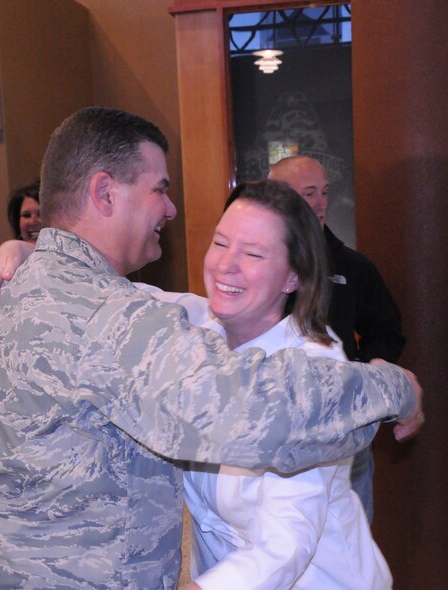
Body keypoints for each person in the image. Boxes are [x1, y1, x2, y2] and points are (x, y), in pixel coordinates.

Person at [0, 107, 424, 589]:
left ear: (294, 274)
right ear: (105, 192)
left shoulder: (2, 299)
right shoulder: (117, 320)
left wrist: (31, 249)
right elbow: (256, 414)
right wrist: (394, 386)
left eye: (253, 253)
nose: (170, 209)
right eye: (160, 190)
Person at [158, 179, 392, 590]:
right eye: (220, 243)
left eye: (253, 254)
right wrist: (28, 253)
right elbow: (120, 298)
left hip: (313, 578)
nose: (225, 265)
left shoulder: (312, 371)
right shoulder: (204, 327)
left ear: (291, 279)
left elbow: (287, 538)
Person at [269, 155, 405, 523]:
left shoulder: (353, 267)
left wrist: (359, 378)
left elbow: (388, 332)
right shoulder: (257, 264)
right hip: (272, 431)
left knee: (350, 543)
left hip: (344, 431)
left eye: (325, 192)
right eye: (309, 192)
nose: (320, 203)